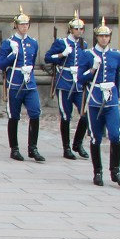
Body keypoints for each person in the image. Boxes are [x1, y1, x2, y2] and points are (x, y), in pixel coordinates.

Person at [78, 19, 120, 187]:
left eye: (106, 36)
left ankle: (116, 171)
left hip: (111, 99)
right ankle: (97, 171)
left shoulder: (116, 55)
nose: (104, 39)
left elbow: (117, 75)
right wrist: (92, 69)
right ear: (96, 38)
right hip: (95, 98)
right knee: (95, 137)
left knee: (115, 134)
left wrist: (117, 95)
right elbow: (80, 79)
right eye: (101, 36)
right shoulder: (88, 54)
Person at [0, 6, 45, 162]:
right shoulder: (8, 43)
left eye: (27, 24)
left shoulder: (33, 43)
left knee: (35, 112)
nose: (25, 27)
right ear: (16, 26)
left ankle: (33, 147)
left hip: (29, 82)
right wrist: (13, 54)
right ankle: (14, 148)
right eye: (22, 24)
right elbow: (1, 64)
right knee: (14, 116)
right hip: (15, 82)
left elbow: (32, 60)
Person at [44, 11, 90, 160]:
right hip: (64, 82)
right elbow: (47, 58)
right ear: (70, 29)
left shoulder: (84, 44)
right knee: (66, 115)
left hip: (79, 84)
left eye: (81, 29)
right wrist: (61, 55)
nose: (79, 31)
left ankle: (78, 143)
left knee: (85, 113)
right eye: (76, 29)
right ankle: (66, 147)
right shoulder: (61, 43)